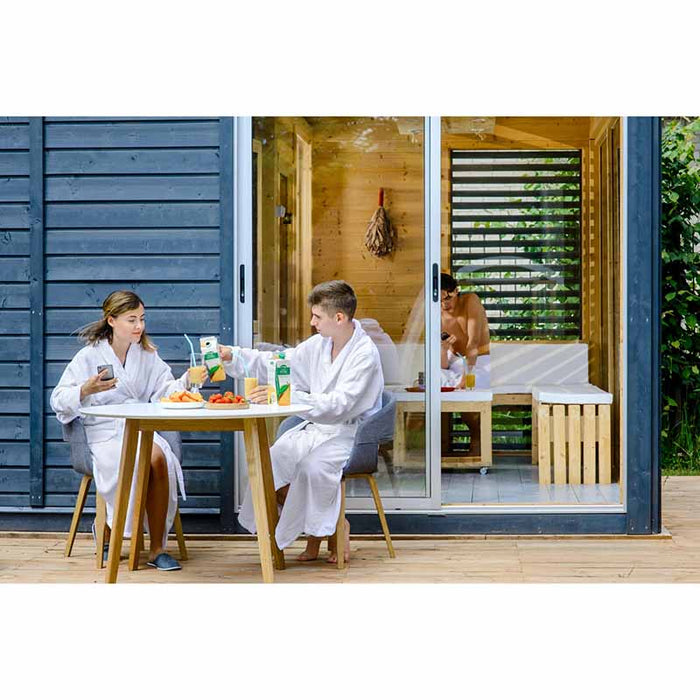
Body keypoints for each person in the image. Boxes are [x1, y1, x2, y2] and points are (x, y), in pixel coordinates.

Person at [221, 280, 384, 563]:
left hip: (351, 434)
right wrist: (234, 355)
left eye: (317, 316)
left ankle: (332, 530)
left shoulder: (364, 354)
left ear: (339, 318)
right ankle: (318, 531)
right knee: (268, 463)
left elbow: (340, 405)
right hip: (317, 429)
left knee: (311, 468)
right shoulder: (320, 344)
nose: (312, 322)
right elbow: (280, 362)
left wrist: (287, 396)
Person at [50, 291, 206, 571]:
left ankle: (157, 548)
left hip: (138, 426)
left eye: (142, 319)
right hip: (102, 434)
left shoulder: (146, 355)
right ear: (111, 320)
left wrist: (188, 380)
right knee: (132, 460)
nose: (139, 326)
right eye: (131, 319)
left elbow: (165, 391)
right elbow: (58, 400)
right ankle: (110, 527)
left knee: (160, 459)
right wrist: (86, 389)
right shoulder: (88, 356)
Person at [439, 272, 491, 457]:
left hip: (479, 361)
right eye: (441, 299)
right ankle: (442, 445)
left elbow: (473, 343)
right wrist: (443, 348)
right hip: (455, 361)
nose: (445, 304)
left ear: (456, 291)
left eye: (448, 297)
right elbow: (443, 365)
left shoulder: (470, 301)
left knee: (466, 391)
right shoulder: (436, 312)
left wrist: (466, 378)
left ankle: (477, 436)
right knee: (436, 385)